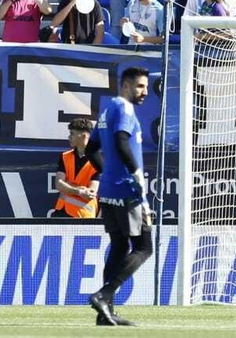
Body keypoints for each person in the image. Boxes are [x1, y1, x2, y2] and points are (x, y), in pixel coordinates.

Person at [85, 66, 154, 327]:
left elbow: (91, 150)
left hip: (109, 189)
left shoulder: (106, 109)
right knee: (144, 247)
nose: (144, 91)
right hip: (126, 190)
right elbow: (123, 141)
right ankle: (104, 295)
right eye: (139, 86)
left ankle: (106, 313)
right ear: (125, 86)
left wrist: (108, 173)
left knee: (118, 245)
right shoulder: (124, 108)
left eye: (146, 86)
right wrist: (134, 173)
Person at [54, 117, 99, 218]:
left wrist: (69, 185)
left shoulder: (98, 161)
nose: (69, 137)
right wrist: (79, 190)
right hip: (61, 212)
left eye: (72, 134)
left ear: (83, 136)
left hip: (84, 216)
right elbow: (59, 184)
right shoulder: (65, 156)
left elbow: (91, 193)